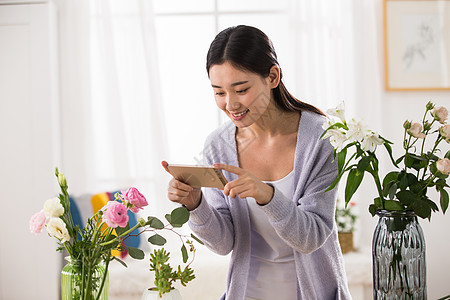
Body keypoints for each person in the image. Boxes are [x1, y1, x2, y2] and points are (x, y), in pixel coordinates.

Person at [162, 25, 351, 300]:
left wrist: (267, 195)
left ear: (272, 76)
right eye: (219, 92)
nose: (231, 104)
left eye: (241, 89)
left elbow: (311, 238)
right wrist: (195, 204)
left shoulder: (321, 139)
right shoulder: (218, 145)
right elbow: (224, 243)